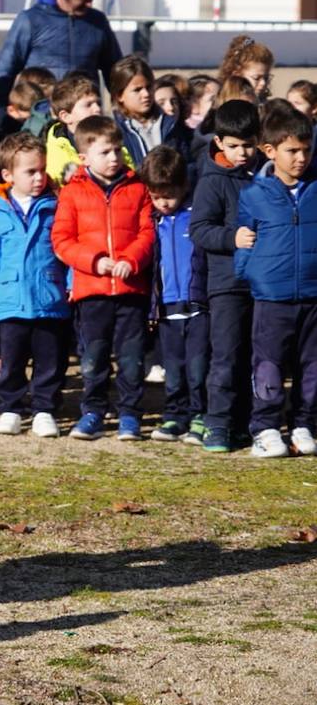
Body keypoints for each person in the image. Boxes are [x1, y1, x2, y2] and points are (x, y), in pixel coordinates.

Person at [51, 115, 156, 441]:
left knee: (131, 357)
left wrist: (130, 260)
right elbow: (62, 240)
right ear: (84, 158)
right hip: (91, 290)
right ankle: (93, 411)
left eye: (117, 150)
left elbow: (148, 232)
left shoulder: (138, 188)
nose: (113, 158)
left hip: (130, 290)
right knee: (93, 357)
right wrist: (95, 262)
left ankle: (129, 414)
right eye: (105, 152)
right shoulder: (72, 193)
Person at [235, 103, 317, 458]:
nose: (301, 157)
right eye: (292, 150)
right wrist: (252, 274)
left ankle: (304, 424)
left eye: (306, 149)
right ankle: (265, 427)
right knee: (268, 365)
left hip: (313, 296)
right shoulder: (254, 195)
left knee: (313, 365)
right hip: (271, 299)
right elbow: (244, 241)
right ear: (270, 151)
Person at [0, 131, 69, 438]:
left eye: (42, 169)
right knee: (11, 361)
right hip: (10, 299)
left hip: (49, 297)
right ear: (8, 174)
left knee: (49, 360)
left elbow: (65, 251)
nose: (39, 177)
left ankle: (44, 409)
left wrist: (69, 283)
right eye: (30, 171)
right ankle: (10, 408)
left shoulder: (56, 206)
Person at [189, 99, 260, 453]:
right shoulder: (212, 181)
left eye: (248, 144)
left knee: (255, 355)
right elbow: (200, 229)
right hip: (226, 282)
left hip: (263, 283)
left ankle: (245, 422)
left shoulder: (265, 175)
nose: (242, 152)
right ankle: (216, 422)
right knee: (227, 355)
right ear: (218, 142)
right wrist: (231, 239)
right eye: (233, 145)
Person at [0, 0, 122, 116]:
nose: (89, 4)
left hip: (84, 118)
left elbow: (114, 71)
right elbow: (5, 70)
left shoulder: (98, 22)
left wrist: (122, 107)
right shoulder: (31, 20)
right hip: (41, 116)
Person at [140, 145, 208, 446]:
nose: (163, 203)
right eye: (156, 196)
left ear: (183, 187)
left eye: (168, 195)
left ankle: (200, 414)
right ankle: (175, 414)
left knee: (198, 366)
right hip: (167, 307)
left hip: (197, 305)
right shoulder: (154, 221)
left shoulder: (195, 217)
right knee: (173, 367)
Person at [109, 56, 192, 169]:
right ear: (119, 95)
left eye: (149, 87)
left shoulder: (171, 124)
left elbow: (188, 164)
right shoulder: (112, 131)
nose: (146, 94)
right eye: (137, 90)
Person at [44, 73, 103, 186]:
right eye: (88, 105)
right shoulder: (57, 151)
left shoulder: (110, 136)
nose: (97, 109)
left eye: (98, 103)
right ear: (66, 116)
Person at [217, 35, 273, 103]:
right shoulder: (219, 105)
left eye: (266, 78)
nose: (263, 83)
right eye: (256, 78)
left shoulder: (267, 108)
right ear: (236, 74)